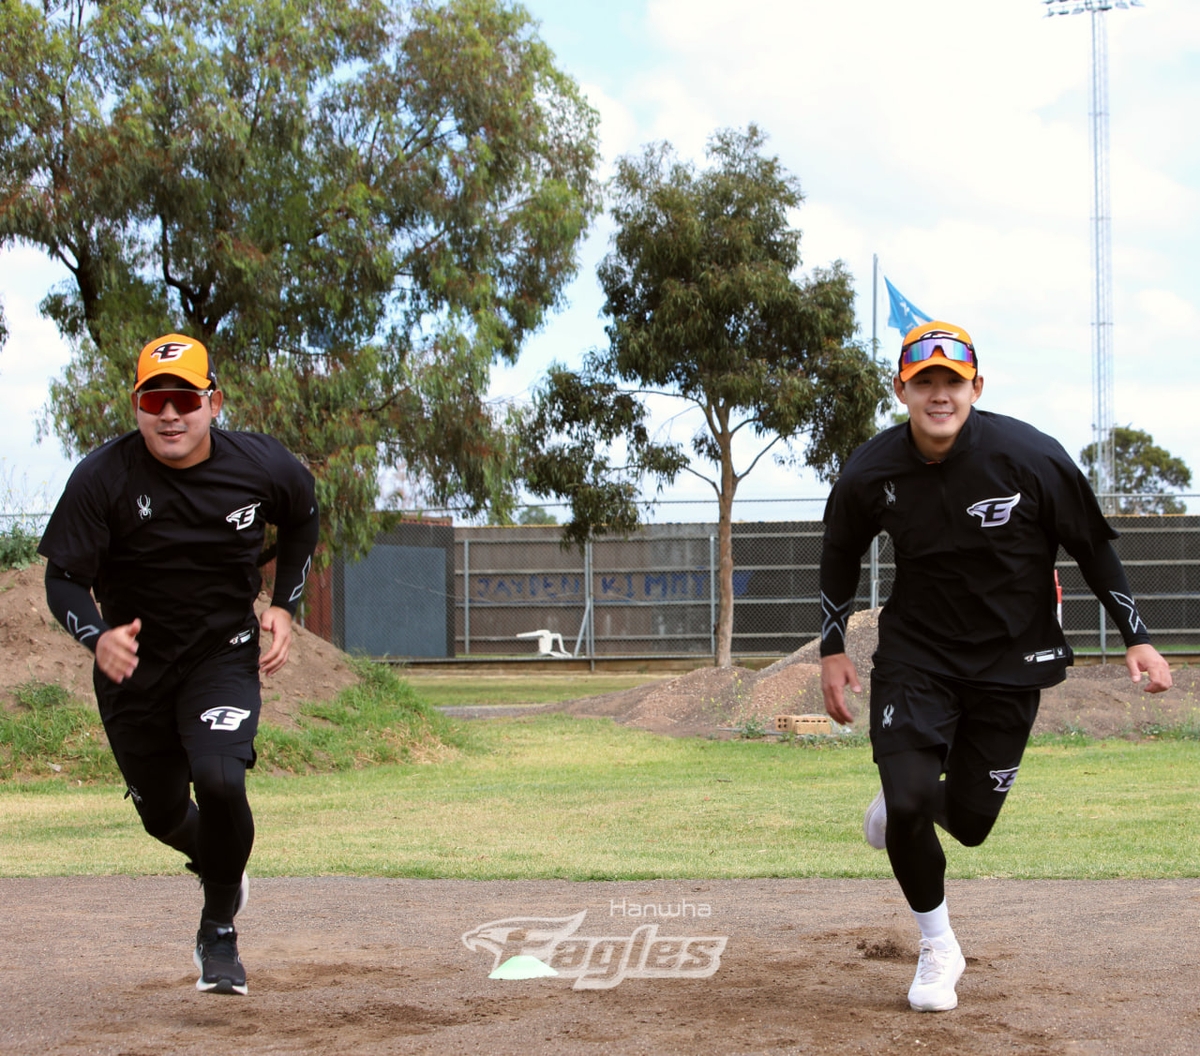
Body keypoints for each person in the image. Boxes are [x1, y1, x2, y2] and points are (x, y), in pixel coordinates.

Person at [819, 320, 1172, 1013]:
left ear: (976, 387)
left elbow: (1092, 546)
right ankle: (938, 945)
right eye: (926, 383)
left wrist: (1137, 635)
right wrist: (832, 648)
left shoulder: (1029, 457)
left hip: (1014, 659)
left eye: (953, 381)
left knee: (973, 821)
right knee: (916, 802)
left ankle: (898, 809)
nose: (940, 394)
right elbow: (839, 552)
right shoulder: (871, 471)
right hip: (916, 656)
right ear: (902, 390)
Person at [38, 334, 319, 996]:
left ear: (212, 402)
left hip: (221, 653)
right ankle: (222, 864)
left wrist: (283, 607)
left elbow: (303, 518)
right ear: (137, 406)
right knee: (163, 816)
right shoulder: (102, 477)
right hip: (133, 670)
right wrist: (96, 636)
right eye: (154, 399)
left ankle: (218, 930)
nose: (170, 414)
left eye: (185, 399)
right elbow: (63, 581)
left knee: (221, 781)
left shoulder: (263, 465)